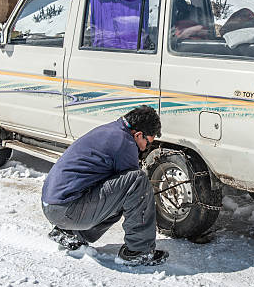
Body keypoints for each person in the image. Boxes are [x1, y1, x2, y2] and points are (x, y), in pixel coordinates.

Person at [41, 105, 168, 266]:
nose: (145, 148)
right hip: (67, 209)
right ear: (138, 134)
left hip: (53, 205)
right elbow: (135, 189)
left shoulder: (111, 131)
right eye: (147, 142)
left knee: (117, 199)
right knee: (138, 180)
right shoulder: (124, 143)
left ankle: (71, 233)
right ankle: (139, 251)